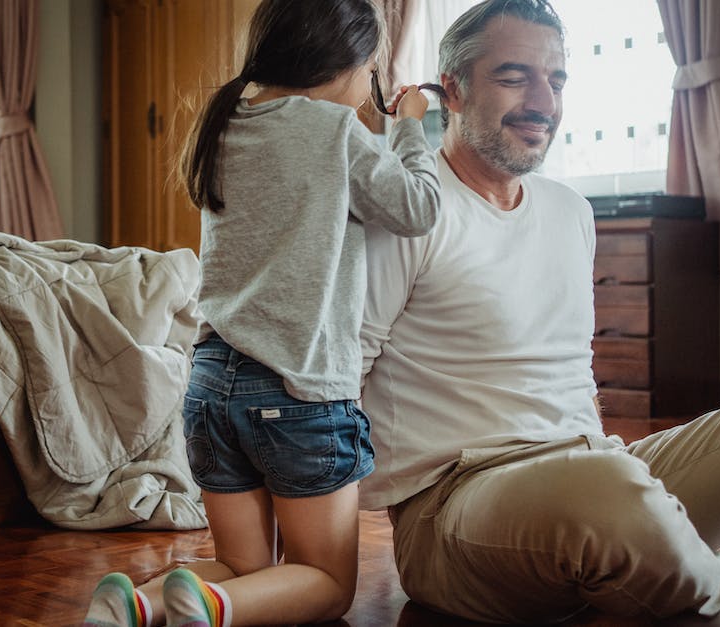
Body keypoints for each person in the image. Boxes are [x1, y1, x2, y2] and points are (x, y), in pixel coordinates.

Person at [359, 0, 720, 625]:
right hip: (456, 507)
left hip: (600, 469)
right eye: (514, 76)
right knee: (605, 487)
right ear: (451, 90)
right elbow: (339, 381)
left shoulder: (570, 212)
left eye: (556, 79)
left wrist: (604, 464)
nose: (543, 101)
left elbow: (571, 373)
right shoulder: (407, 212)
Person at [84, 1, 440, 626]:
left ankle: (136, 606)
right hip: (296, 391)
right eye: (369, 70)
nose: (368, 87)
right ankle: (213, 610)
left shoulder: (222, 122)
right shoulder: (333, 132)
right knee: (328, 584)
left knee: (247, 567)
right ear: (343, 61)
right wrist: (412, 124)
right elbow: (415, 208)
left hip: (210, 383)